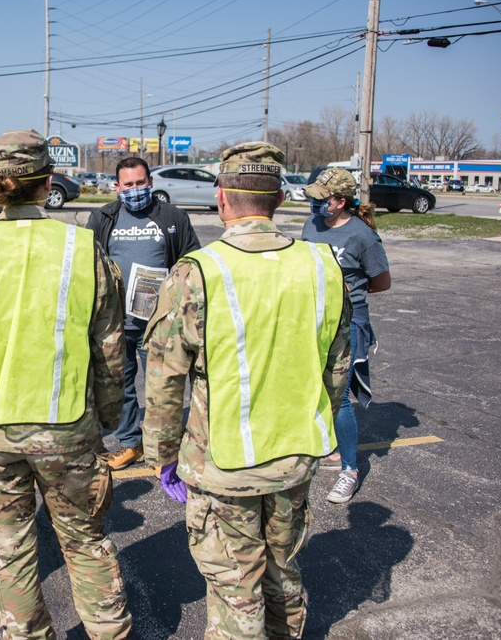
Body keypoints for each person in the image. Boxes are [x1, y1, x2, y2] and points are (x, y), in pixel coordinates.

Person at [0, 130, 132, 640]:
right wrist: (107, 419)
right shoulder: (81, 246)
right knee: (85, 541)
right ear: (46, 184)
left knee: (7, 550)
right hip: (66, 429)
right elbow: (109, 345)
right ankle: (108, 630)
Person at [143, 142, 352, 640]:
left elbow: (167, 375)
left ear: (222, 200)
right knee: (283, 572)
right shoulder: (323, 264)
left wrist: (162, 453)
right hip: (296, 453)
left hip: (224, 463)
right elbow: (337, 366)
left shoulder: (199, 271)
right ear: (279, 199)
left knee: (237, 586)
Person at [87, 156, 200, 471]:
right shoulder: (103, 218)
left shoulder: (172, 217)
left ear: (150, 183)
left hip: (159, 323)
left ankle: (162, 449)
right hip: (116, 323)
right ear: (117, 186)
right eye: (128, 185)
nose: (135, 190)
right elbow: (89, 265)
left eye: (140, 183)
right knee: (120, 386)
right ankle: (130, 443)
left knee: (162, 387)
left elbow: (192, 264)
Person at [302, 167, 391, 504]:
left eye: (321, 198)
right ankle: (334, 452)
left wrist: (345, 292)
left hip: (349, 324)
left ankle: (350, 470)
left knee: (340, 402)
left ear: (339, 202)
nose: (314, 204)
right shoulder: (311, 225)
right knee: (316, 391)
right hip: (314, 320)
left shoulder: (361, 236)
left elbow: (382, 282)